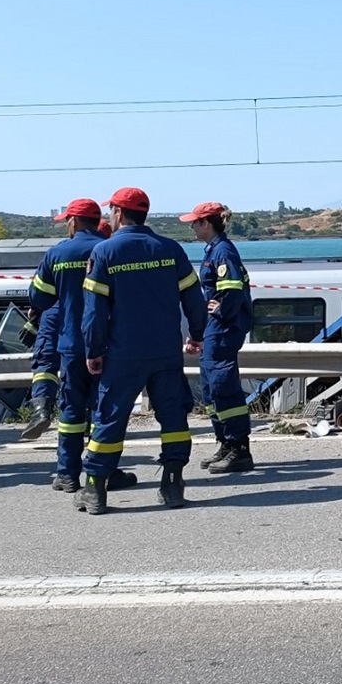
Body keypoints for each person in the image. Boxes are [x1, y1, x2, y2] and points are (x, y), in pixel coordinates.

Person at [75, 187, 205, 514]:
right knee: (173, 417)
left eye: (111, 211)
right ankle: (172, 483)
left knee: (110, 417)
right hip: (165, 351)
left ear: (119, 213)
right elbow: (194, 299)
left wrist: (93, 349)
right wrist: (198, 334)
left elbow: (93, 312)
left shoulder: (105, 253)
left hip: (122, 353)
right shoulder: (171, 249)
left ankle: (94, 490)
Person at [28, 199, 136, 493]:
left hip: (72, 345)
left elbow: (39, 298)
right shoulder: (112, 249)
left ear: (74, 222)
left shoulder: (58, 253)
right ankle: (104, 472)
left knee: (71, 412)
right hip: (109, 344)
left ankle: (66, 474)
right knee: (104, 411)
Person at [182, 201, 256, 473]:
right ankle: (225, 441)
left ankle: (239, 448)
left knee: (223, 385)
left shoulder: (223, 251)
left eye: (194, 222)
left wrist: (221, 309)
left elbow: (233, 289)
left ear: (206, 223)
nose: (191, 227)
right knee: (212, 386)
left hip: (224, 327)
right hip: (216, 328)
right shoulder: (214, 250)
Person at [20, 304, 60, 441]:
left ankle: (40, 411)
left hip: (53, 312)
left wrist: (35, 313)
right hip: (89, 312)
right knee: (80, 365)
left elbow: (39, 290)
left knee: (45, 365)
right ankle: (87, 418)